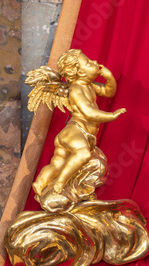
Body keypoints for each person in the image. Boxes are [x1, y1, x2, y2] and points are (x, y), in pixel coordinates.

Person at [29, 50, 126, 208]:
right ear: (80, 72)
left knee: (57, 164)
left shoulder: (89, 86)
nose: (95, 62)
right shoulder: (76, 89)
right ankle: (60, 183)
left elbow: (108, 92)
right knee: (83, 154)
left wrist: (109, 77)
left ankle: (40, 183)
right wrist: (111, 115)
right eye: (88, 62)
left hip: (80, 134)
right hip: (75, 130)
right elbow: (88, 112)